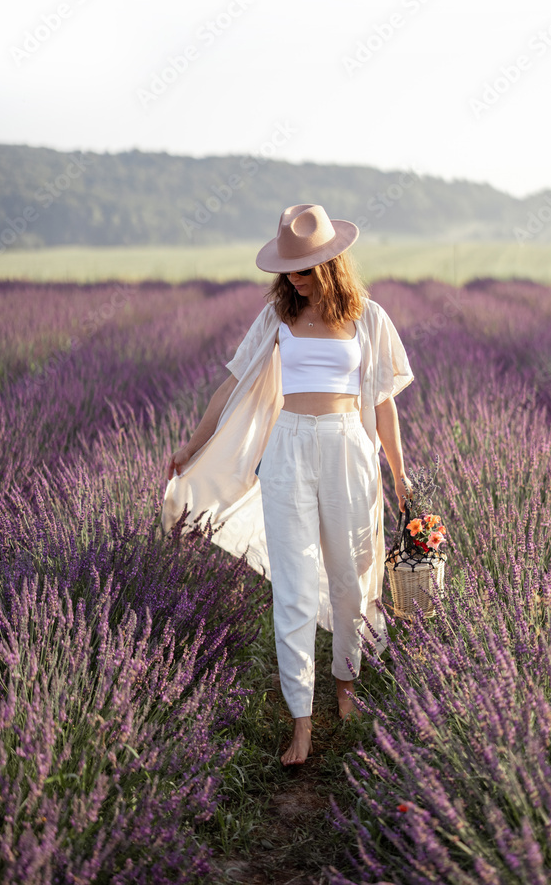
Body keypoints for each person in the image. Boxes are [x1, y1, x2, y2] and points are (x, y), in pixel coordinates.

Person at [162, 204, 415, 765]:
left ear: (331, 263)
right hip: (289, 448)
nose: (294, 278)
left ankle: (346, 688)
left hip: (350, 447)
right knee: (294, 589)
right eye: (288, 270)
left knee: (353, 577)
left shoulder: (369, 318)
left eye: (304, 268)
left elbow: (384, 405)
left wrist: (399, 472)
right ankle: (300, 718)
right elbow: (228, 388)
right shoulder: (277, 320)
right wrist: (192, 447)